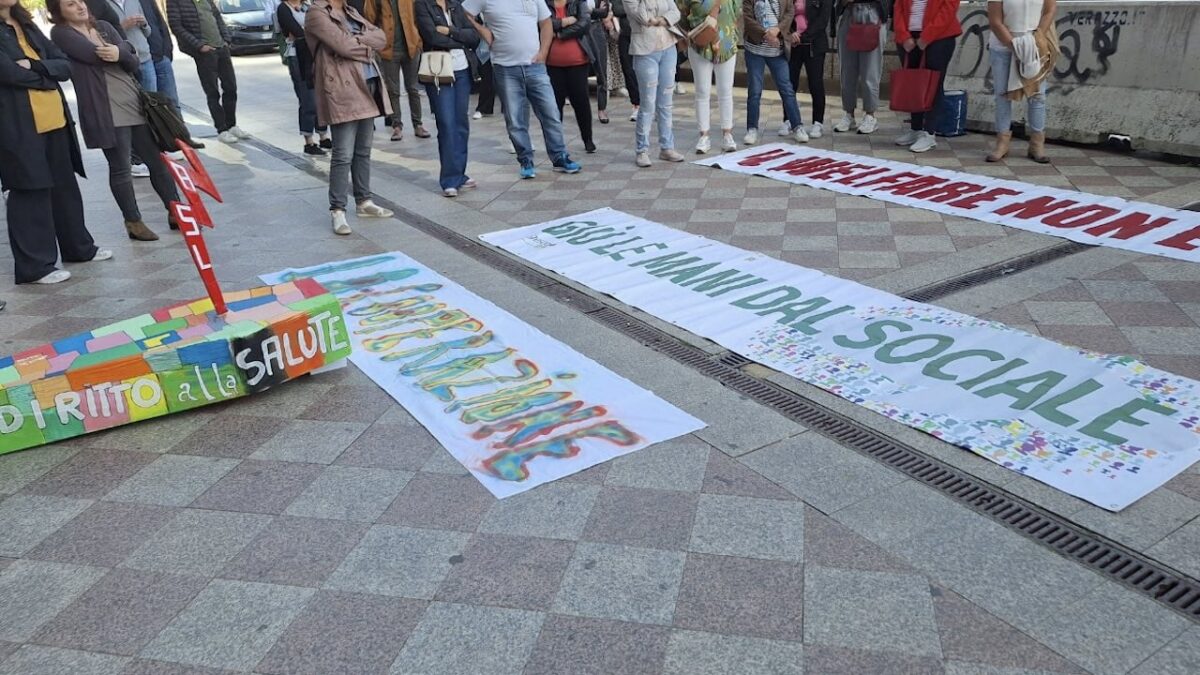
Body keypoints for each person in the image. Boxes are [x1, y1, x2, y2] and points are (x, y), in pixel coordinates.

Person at [50, 0, 181, 242]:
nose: (79, 7)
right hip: (105, 109)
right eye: (70, 4)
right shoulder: (61, 33)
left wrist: (120, 52)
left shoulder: (103, 26)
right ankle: (134, 221)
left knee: (157, 161)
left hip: (134, 101)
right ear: (59, 12)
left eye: (80, 1)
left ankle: (176, 211)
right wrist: (121, 51)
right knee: (121, 168)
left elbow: (132, 59)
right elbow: (92, 55)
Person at [0, 0, 110, 284]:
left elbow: (65, 65)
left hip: (55, 121)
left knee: (65, 187)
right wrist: (48, 76)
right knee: (30, 191)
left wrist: (37, 66)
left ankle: (79, 249)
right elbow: (8, 73)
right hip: (18, 126)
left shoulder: (26, 24)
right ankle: (36, 267)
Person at [462, 0, 582, 180]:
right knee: (516, 119)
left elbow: (546, 23)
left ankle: (559, 157)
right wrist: (481, 30)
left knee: (551, 114)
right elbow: (463, 11)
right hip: (505, 67)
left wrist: (543, 52)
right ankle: (526, 160)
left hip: (535, 66)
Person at [306, 0, 395, 234]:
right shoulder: (316, 13)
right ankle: (337, 210)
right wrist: (365, 42)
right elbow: (342, 46)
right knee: (343, 154)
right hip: (342, 89)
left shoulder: (351, 11)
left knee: (363, 151)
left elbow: (381, 37)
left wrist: (358, 40)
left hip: (368, 85)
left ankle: (364, 201)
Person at [415, 0, 479, 196]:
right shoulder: (422, 5)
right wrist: (460, 38)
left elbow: (474, 37)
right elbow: (432, 37)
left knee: (461, 123)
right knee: (446, 123)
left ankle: (459, 173)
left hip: (462, 71)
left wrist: (450, 31)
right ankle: (449, 179)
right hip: (439, 71)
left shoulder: (455, 4)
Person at [167, 0, 245, 143]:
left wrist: (226, 39)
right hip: (204, 53)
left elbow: (217, 17)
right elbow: (176, 26)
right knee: (212, 92)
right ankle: (222, 129)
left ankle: (231, 125)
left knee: (231, 88)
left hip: (222, 48)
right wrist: (199, 45)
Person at [986, 0, 1055, 163]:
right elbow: (995, 21)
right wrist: (1014, 46)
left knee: (1037, 96)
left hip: (1034, 46)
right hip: (1002, 47)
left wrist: (1037, 39)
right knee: (1002, 95)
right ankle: (1002, 143)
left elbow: (1049, 11)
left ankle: (1037, 144)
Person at [892, 0, 960, 153]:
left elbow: (948, 9)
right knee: (913, 84)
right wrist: (903, 36)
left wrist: (927, 36)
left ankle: (929, 133)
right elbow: (898, 7)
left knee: (933, 85)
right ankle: (915, 128)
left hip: (939, 38)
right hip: (909, 37)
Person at [623, 0, 683, 168]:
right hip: (644, 50)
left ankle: (667, 147)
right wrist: (656, 18)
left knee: (666, 102)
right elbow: (642, 17)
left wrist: (660, 20)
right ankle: (642, 150)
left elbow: (675, 12)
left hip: (668, 47)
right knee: (648, 103)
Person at [364, 0, 430, 141]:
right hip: (388, 49)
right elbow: (369, 20)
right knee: (393, 90)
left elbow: (419, 15)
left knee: (413, 88)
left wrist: (418, 41)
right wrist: (377, 44)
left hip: (411, 46)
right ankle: (396, 126)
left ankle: (418, 124)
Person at [743, 0, 806, 145]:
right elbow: (747, 18)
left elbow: (789, 12)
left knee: (787, 89)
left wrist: (776, 30)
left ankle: (797, 126)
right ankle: (752, 129)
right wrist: (766, 34)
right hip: (754, 50)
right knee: (754, 91)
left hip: (777, 51)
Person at [680, 0, 738, 154]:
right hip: (700, 45)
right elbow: (682, 15)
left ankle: (727, 134)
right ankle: (703, 135)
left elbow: (737, 12)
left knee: (726, 91)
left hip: (726, 43)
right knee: (702, 91)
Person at [277, 0, 331, 154]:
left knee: (320, 97)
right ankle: (308, 141)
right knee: (307, 99)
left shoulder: (308, 6)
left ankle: (323, 136)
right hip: (298, 57)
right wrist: (311, 33)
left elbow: (322, 26)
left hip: (315, 55)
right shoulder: (283, 9)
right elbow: (297, 32)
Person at [545, 0, 594, 154]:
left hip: (578, 62)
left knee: (581, 102)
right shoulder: (544, 3)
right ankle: (557, 143)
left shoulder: (578, 2)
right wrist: (566, 21)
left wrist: (559, 34)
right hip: (552, 63)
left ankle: (588, 139)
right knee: (555, 105)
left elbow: (584, 24)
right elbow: (543, 24)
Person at [779, 0, 830, 139]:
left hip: (814, 45)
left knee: (815, 83)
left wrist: (803, 36)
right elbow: (783, 14)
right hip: (794, 46)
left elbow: (823, 20)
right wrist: (790, 33)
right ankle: (788, 119)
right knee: (790, 83)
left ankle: (818, 122)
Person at [832, 0, 885, 134]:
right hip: (848, 14)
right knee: (847, 72)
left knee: (870, 72)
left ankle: (870, 115)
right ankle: (849, 114)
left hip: (872, 13)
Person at [610, 0, 636, 120]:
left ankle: (652, 104)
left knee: (645, 71)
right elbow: (617, 9)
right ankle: (637, 104)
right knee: (628, 69)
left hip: (645, 34)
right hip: (625, 33)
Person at [586, 0, 610, 123]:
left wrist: (590, 11)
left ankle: (602, 109)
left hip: (597, 29)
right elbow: (573, 11)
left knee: (601, 71)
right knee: (580, 72)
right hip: (580, 29)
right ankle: (584, 110)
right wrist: (595, 11)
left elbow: (604, 12)